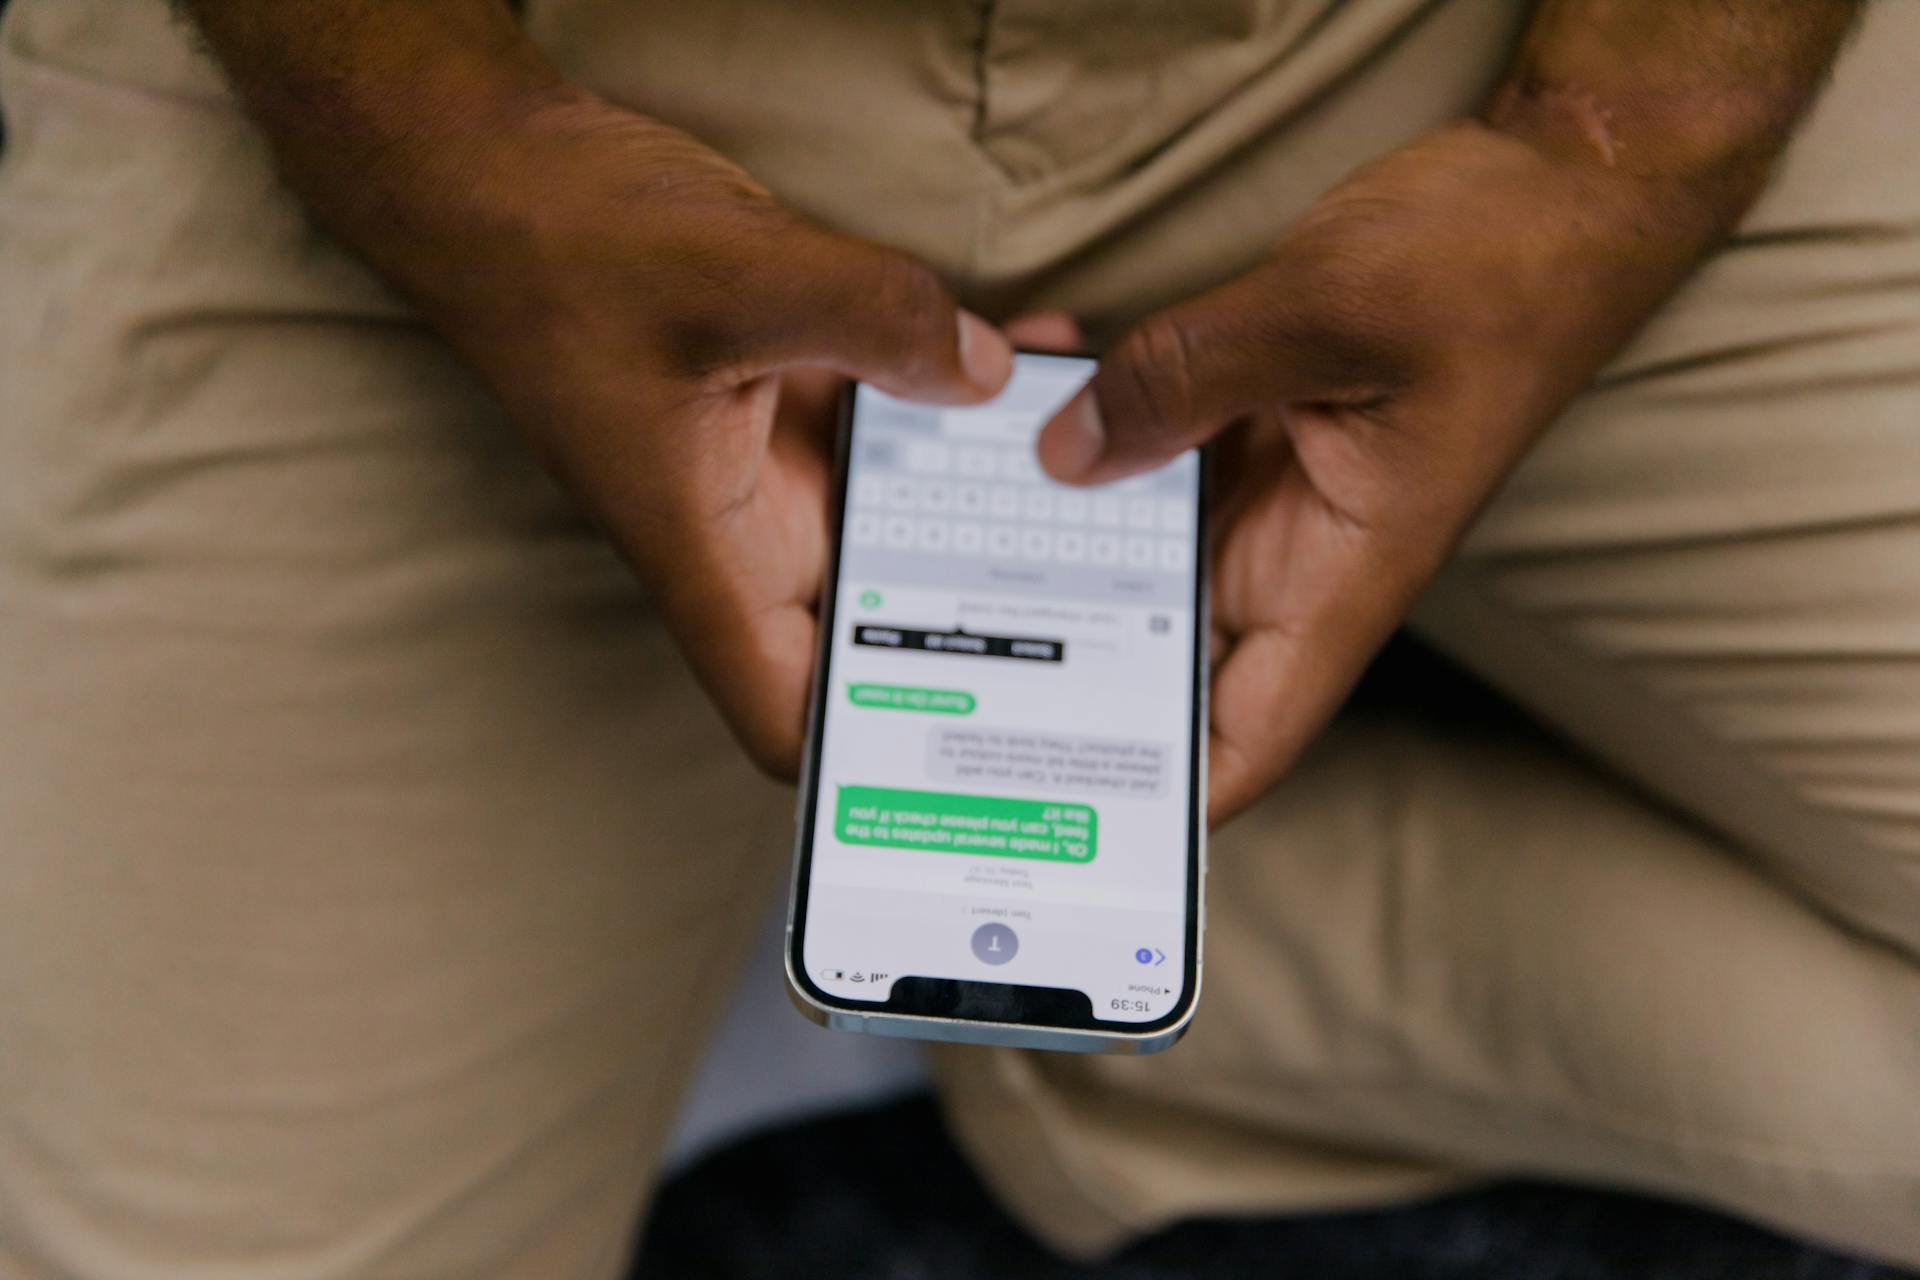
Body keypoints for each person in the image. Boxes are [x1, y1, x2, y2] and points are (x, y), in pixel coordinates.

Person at [1, 0, 1915, 1275]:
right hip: (448, 66)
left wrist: (1618, 158)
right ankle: (865, 886)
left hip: (1450, 49)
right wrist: (435, 151)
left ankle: (1107, 1009)